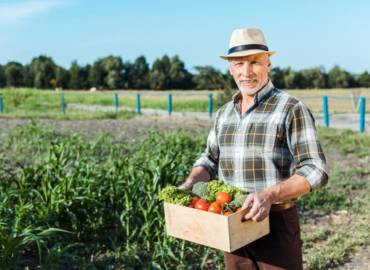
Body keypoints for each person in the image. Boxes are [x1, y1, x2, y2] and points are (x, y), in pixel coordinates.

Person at [179, 28, 328, 270]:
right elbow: (209, 159)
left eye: (255, 62)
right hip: (230, 221)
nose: (246, 72)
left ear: (268, 63)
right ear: (230, 68)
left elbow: (316, 169)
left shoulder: (290, 108)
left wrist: (268, 195)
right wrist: (189, 184)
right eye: (239, 63)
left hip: (276, 223)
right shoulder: (224, 113)